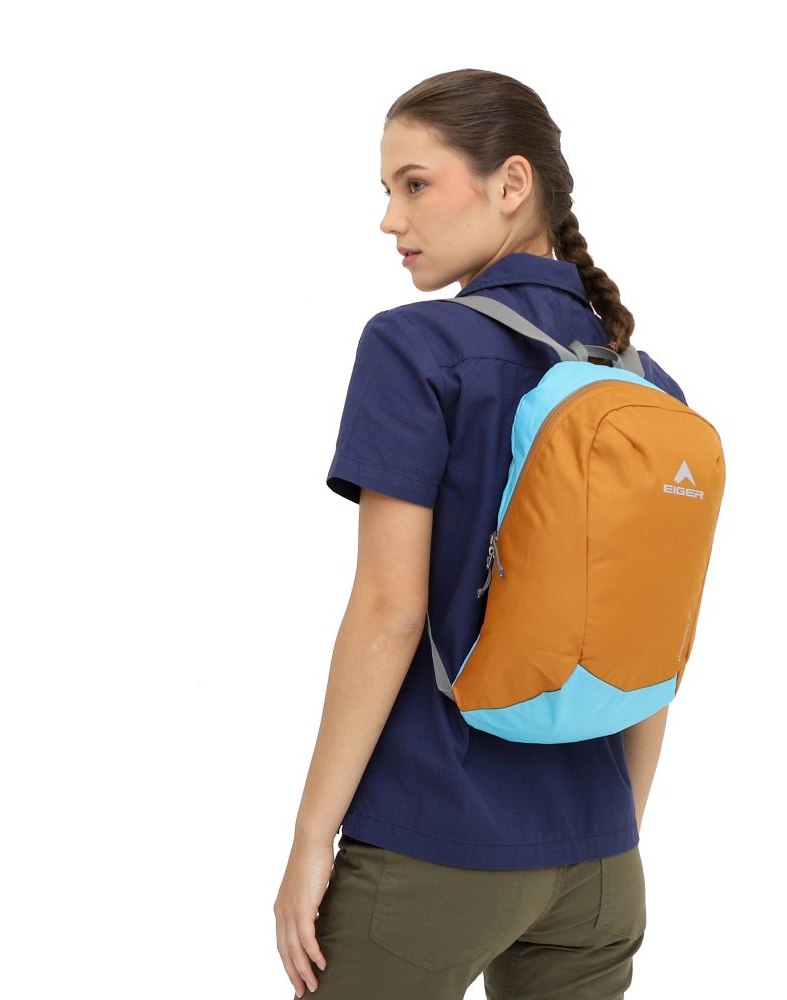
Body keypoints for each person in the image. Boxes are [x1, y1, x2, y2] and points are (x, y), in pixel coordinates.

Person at [274, 68, 683, 999]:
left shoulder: (413, 348)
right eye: (389, 190)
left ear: (512, 183)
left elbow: (388, 615)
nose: (391, 219)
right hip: (601, 867)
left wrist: (308, 841)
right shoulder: (650, 387)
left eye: (415, 184)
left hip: (433, 842)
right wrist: (614, 832)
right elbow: (651, 644)